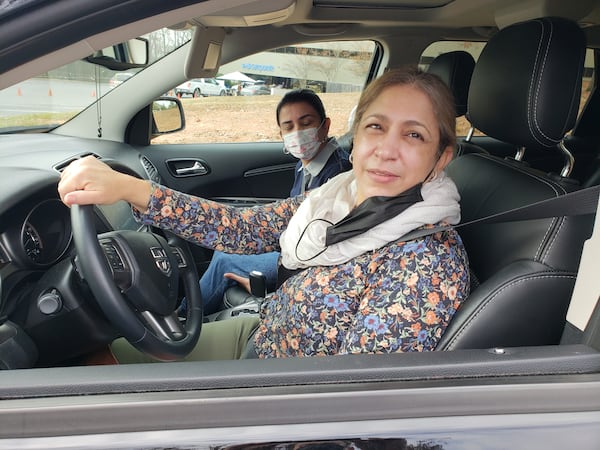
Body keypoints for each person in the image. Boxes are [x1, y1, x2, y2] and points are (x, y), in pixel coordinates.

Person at [58, 67, 470, 363]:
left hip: (273, 391)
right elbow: (243, 229)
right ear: (356, 136)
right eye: (376, 127)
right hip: (264, 331)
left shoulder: (426, 262)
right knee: (96, 359)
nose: (386, 149)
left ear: (441, 157)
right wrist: (131, 189)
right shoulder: (339, 196)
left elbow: (351, 400)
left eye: (414, 134)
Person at [199, 89, 351, 314]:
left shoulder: (337, 175)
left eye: (306, 123)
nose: (297, 133)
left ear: (325, 126)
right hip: (291, 244)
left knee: (225, 260)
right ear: (281, 133)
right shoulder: (305, 164)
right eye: (288, 127)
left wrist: (279, 280)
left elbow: (321, 246)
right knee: (227, 247)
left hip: (303, 258)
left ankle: (184, 317)